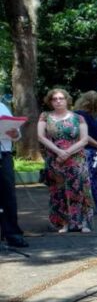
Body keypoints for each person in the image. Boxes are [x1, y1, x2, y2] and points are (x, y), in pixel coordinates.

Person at [37, 88, 93, 233]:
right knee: (59, 192)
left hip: (76, 159)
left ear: (67, 99)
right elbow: (41, 137)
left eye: (61, 98)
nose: (58, 101)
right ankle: (64, 223)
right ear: (50, 101)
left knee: (80, 190)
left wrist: (67, 152)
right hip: (55, 160)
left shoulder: (78, 117)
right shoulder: (45, 116)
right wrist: (59, 151)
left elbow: (85, 139)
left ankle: (83, 223)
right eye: (54, 99)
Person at [73, 91, 97, 217]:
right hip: (89, 152)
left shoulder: (85, 116)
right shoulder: (81, 115)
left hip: (91, 151)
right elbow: (86, 136)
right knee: (93, 181)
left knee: (95, 181)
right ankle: (95, 207)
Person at [0, 100, 28, 247]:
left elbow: (17, 135)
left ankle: (12, 234)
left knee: (8, 195)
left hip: (3, 154)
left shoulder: (2, 106)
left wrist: (15, 133)